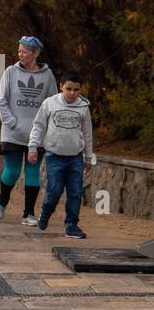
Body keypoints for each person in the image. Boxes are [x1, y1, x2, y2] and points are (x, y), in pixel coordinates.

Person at [0, 36, 57, 225]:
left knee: (33, 172)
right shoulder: (11, 72)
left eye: (25, 51)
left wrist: (45, 127)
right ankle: (1, 203)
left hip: (36, 134)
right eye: (19, 50)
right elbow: (2, 99)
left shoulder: (47, 75)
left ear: (35, 53)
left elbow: (52, 102)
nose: (21, 54)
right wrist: (11, 122)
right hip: (13, 132)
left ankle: (28, 213)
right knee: (12, 171)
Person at [30, 71, 95, 239]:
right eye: (68, 89)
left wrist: (88, 157)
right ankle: (45, 213)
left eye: (76, 89)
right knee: (55, 190)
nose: (72, 93)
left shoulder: (83, 107)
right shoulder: (50, 103)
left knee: (75, 192)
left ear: (80, 89)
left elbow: (88, 133)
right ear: (61, 87)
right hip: (54, 155)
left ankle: (71, 225)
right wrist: (33, 146)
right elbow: (38, 126)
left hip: (75, 157)